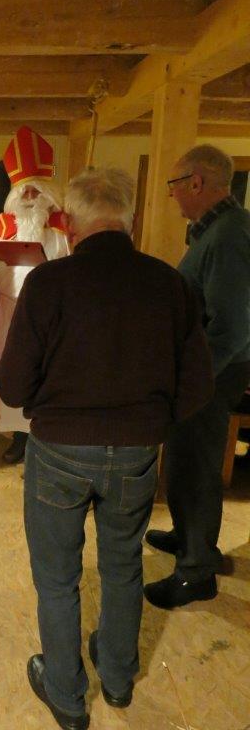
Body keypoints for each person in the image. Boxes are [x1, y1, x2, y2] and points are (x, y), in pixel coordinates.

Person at [0, 167, 214, 730]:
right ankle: (117, 678)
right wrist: (151, 421)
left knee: (57, 577)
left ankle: (67, 697)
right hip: (137, 450)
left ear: (69, 225)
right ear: (131, 222)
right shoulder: (169, 284)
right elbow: (198, 386)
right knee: (123, 564)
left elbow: (12, 386)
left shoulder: (48, 283)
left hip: (59, 449)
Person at [144, 144, 250, 609]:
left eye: (174, 185)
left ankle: (197, 572)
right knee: (186, 458)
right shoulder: (218, 230)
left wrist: (195, 378)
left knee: (197, 464)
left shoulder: (229, 234)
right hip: (207, 370)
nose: (171, 195)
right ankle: (189, 537)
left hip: (213, 374)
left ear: (196, 182)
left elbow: (232, 325)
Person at [0, 125, 69, 464]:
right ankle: (20, 437)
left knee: (49, 374)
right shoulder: (2, 226)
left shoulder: (64, 228)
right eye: (24, 191)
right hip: (10, 314)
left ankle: (47, 435)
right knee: (15, 372)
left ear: (48, 191)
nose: (30, 197)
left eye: (36, 190)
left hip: (52, 317)